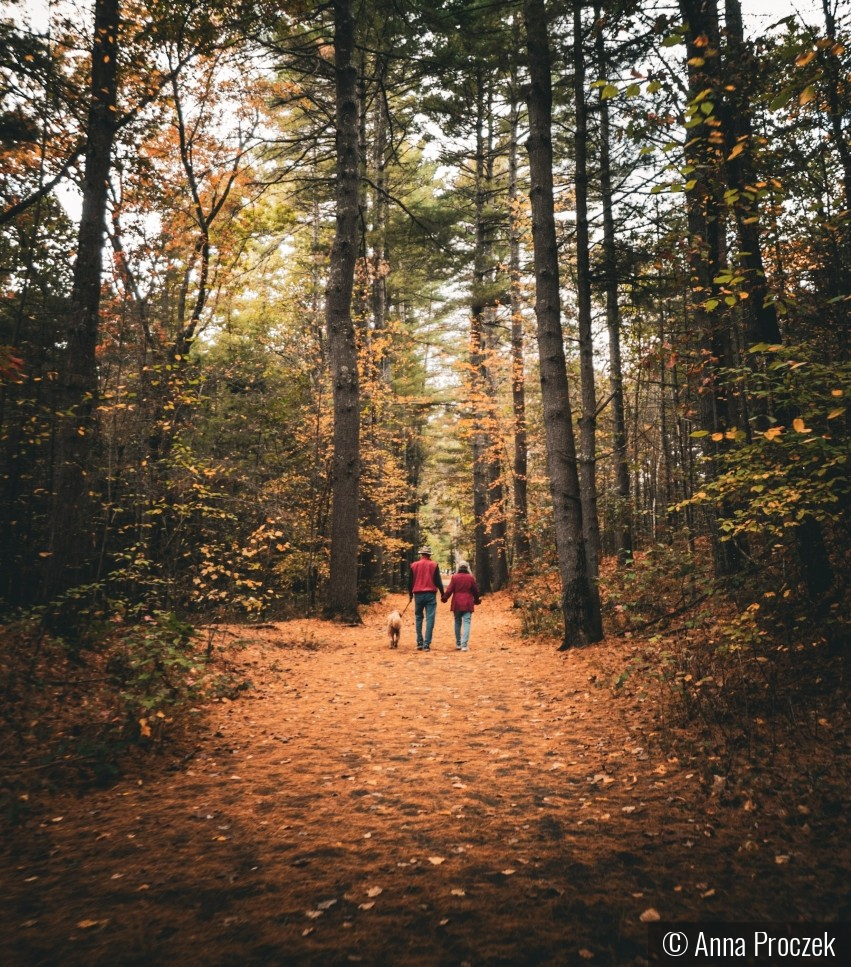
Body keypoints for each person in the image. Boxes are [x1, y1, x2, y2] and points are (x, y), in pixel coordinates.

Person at [408, 545, 444, 651]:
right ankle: (427, 644)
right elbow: (438, 581)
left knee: (419, 618)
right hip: (430, 595)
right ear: (429, 555)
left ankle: (419, 642)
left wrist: (410, 594)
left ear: (421, 554)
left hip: (418, 595)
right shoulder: (434, 565)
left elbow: (410, 582)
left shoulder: (414, 565)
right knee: (430, 619)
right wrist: (442, 593)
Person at [441, 560, 481, 652]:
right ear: (467, 568)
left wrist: (445, 598)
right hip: (467, 602)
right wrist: (477, 600)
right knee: (467, 622)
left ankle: (458, 643)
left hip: (457, 603)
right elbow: (475, 591)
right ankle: (464, 645)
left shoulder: (455, 577)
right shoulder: (471, 578)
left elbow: (450, 589)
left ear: (459, 568)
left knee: (457, 622)